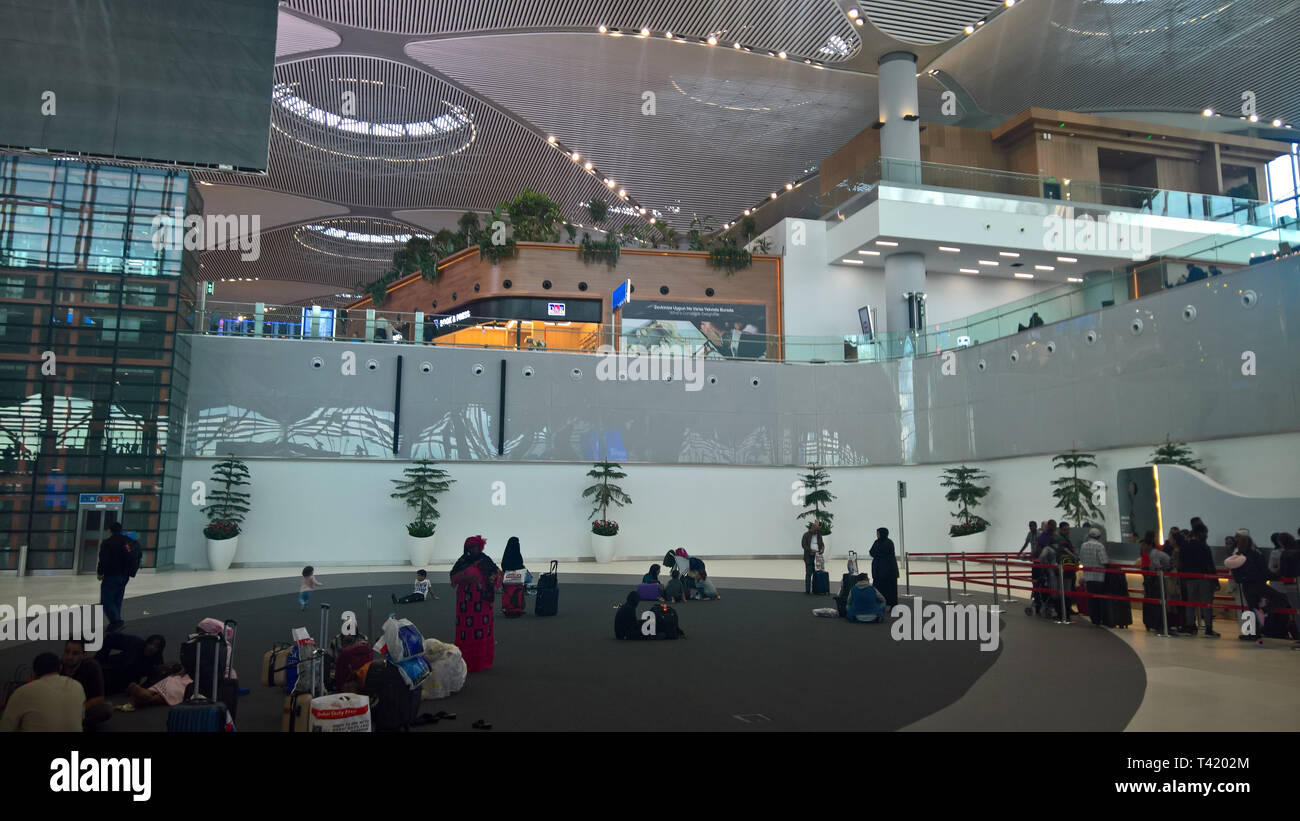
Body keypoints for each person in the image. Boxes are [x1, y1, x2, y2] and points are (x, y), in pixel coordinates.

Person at [449, 535, 500, 673]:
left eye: (475, 547)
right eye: (470, 547)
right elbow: (453, 576)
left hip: (482, 602)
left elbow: (496, 574)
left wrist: (489, 579)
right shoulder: (462, 561)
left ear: (480, 547)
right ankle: (465, 661)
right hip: (465, 603)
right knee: (465, 631)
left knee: (482, 631)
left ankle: (481, 661)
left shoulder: (485, 560)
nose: (472, 550)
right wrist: (466, 575)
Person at [0, 653, 85, 732]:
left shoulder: (22, 692)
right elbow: (81, 718)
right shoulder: (77, 686)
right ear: (60, 667)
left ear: (34, 672)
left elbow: (5, 727)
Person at [96, 522, 137, 632]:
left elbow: (103, 560)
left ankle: (117, 622)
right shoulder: (128, 541)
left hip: (111, 575)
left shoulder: (108, 543)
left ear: (110, 530)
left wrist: (100, 572)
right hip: (125, 575)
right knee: (117, 600)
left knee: (106, 601)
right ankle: (115, 623)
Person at [1180, 524, 1219, 637]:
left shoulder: (1185, 546)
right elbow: (1209, 564)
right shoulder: (1204, 547)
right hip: (1204, 578)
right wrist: (1215, 580)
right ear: (1200, 534)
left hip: (1189, 579)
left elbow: (1182, 563)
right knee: (1206, 604)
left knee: (1190, 603)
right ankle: (1208, 629)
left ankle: (1190, 626)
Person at [61, 639, 111, 728]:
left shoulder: (92, 667)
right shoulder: (57, 666)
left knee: (105, 709)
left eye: (75, 653)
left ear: (84, 655)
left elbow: (99, 698)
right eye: (67, 652)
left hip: (80, 708)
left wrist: (77, 710)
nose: (69, 657)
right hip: (60, 707)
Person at [96, 633, 167, 694]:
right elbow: (110, 638)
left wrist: (139, 688)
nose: (152, 647)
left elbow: (153, 680)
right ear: (146, 643)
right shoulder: (135, 643)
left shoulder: (157, 662)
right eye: (151, 644)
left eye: (156, 646)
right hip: (110, 668)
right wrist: (100, 660)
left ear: (159, 650)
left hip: (124, 683)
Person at [1140, 533, 1173, 633]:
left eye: (1144, 545)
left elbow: (1158, 567)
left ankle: (1160, 624)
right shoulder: (1153, 553)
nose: (1142, 547)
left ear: (1149, 545)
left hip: (1165, 580)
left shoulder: (1153, 554)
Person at [1078, 528, 1109, 627]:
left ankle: (1094, 619)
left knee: (1091, 599)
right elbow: (1104, 561)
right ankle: (1101, 618)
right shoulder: (1100, 546)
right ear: (1098, 536)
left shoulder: (1083, 546)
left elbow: (1081, 559)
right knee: (1100, 598)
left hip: (1088, 576)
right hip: (1099, 576)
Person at [869, 527, 899, 608]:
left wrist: (877, 554)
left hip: (886, 571)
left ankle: (887, 605)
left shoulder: (884, 543)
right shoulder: (884, 542)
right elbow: (872, 552)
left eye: (878, 533)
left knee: (886, 589)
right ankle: (886, 605)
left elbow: (874, 552)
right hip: (883, 571)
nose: (877, 535)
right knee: (884, 589)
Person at [801, 521, 824, 595]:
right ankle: (807, 590)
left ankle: (816, 589)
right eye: (816, 529)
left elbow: (822, 544)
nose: (817, 531)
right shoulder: (806, 535)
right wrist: (811, 550)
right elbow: (803, 545)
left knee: (816, 573)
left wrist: (822, 549)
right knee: (808, 573)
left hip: (817, 557)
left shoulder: (819, 535)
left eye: (818, 530)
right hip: (809, 556)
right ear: (813, 528)